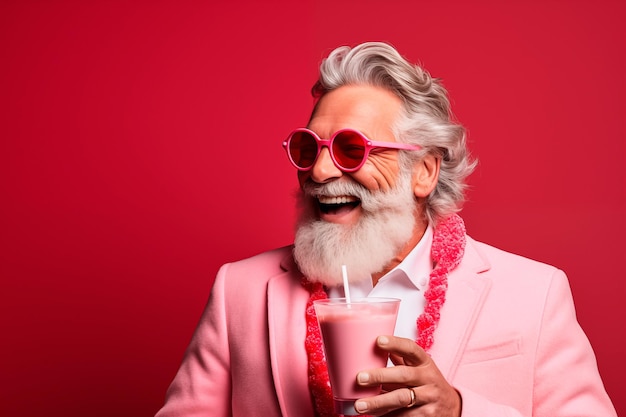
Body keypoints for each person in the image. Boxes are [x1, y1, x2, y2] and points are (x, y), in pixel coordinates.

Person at [155, 42, 616, 417]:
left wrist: (458, 411)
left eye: (351, 148)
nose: (318, 172)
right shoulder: (239, 289)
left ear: (424, 172)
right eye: (306, 147)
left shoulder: (535, 293)